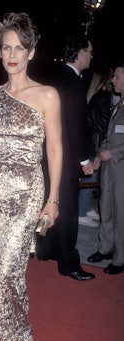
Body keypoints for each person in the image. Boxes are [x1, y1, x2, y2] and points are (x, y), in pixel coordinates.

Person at [0, 12, 63, 341]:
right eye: (6, 48)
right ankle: (5, 328)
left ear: (31, 52)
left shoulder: (47, 95)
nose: (11, 54)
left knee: (10, 267)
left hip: (28, 191)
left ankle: (23, 330)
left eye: (19, 48)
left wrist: (53, 199)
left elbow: (55, 149)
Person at [36, 32, 95, 281]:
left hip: (47, 157)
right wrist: (85, 160)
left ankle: (44, 249)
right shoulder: (75, 82)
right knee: (68, 211)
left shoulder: (53, 77)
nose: (92, 55)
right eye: (90, 51)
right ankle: (68, 263)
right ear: (80, 52)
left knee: (48, 204)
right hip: (68, 159)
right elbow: (76, 125)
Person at [87, 62, 124, 274]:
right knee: (106, 209)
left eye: (117, 77)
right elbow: (109, 137)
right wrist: (99, 155)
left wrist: (114, 153)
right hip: (109, 169)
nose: (113, 80)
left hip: (121, 169)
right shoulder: (119, 105)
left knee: (121, 213)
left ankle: (120, 258)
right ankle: (106, 248)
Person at [78, 65, 114, 227]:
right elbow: (103, 123)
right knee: (91, 176)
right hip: (95, 143)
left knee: (92, 176)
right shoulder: (103, 97)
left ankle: (84, 209)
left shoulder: (96, 95)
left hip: (92, 142)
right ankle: (81, 212)